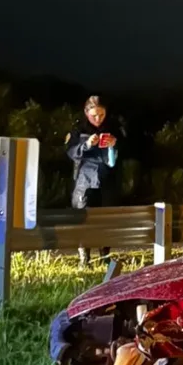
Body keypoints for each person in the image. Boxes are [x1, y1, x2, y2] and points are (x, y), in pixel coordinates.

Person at [65, 95, 123, 264]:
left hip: (107, 182)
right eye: (94, 115)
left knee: (106, 219)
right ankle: (84, 259)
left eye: (101, 115)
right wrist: (86, 145)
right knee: (84, 220)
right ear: (86, 113)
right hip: (84, 182)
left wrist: (115, 144)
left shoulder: (114, 128)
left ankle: (105, 257)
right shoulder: (78, 131)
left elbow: (128, 150)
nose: (98, 119)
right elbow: (70, 152)